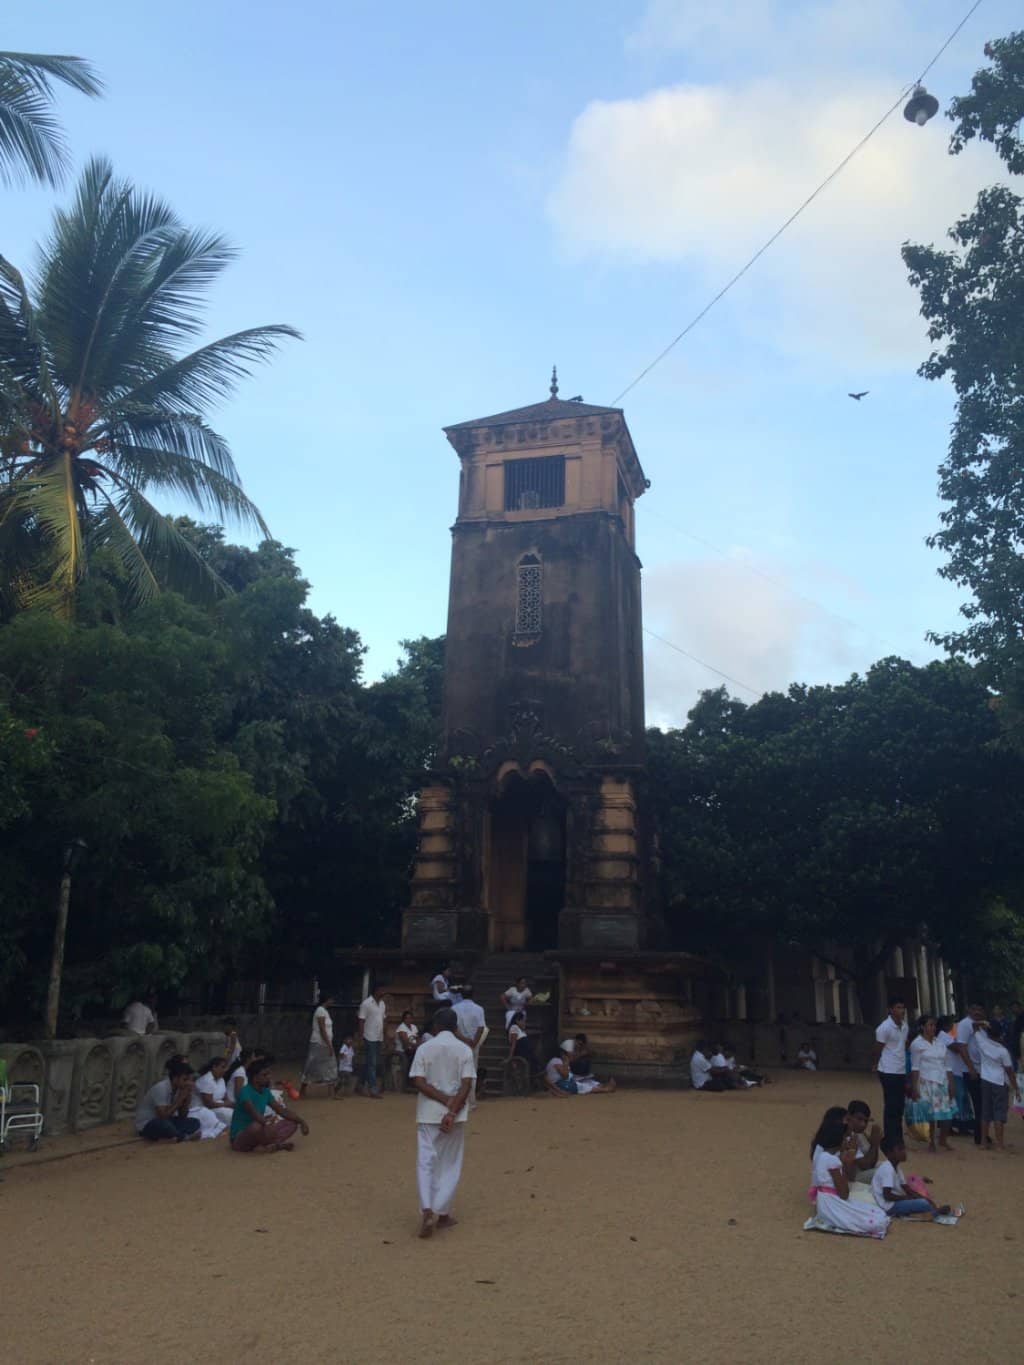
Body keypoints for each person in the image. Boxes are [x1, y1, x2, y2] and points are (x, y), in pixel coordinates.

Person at [409, 1007, 475, 1238]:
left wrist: (443, 1100)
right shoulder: (464, 1049)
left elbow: (418, 1081)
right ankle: (443, 1213)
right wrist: (452, 1109)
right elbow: (466, 1086)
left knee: (426, 1161)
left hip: (428, 1112)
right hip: (455, 1115)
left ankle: (428, 1209)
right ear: (456, 1027)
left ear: (435, 1026)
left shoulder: (425, 1048)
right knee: (449, 1164)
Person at [808, 1116, 888, 1238]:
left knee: (872, 1211)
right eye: (846, 1137)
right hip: (831, 1204)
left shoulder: (822, 1156)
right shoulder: (832, 1161)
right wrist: (847, 1163)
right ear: (840, 1140)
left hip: (823, 1202)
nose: (848, 1140)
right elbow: (844, 1193)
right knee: (877, 1220)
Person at [230, 1055, 310, 1153]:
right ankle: (274, 1145)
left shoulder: (265, 1091)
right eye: (265, 1075)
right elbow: (255, 1115)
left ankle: (266, 1145)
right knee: (256, 1127)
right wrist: (267, 1124)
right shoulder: (244, 1092)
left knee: (292, 1123)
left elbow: (281, 1110)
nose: (269, 1077)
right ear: (255, 1078)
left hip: (261, 1130)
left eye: (269, 1074)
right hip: (240, 1137)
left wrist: (302, 1121)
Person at [871, 1136, 952, 1220]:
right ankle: (935, 1212)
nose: (904, 1152)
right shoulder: (887, 1169)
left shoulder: (896, 1167)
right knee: (923, 1204)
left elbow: (907, 1189)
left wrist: (927, 1199)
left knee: (924, 1201)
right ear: (889, 1153)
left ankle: (925, 1211)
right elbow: (887, 1196)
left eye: (903, 1149)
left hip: (895, 1202)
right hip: (888, 1207)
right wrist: (906, 1198)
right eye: (900, 1149)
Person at [908, 1015, 955, 1152]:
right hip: (926, 1081)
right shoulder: (917, 1044)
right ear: (922, 1027)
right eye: (930, 1025)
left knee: (947, 1113)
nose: (933, 1028)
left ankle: (943, 1139)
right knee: (931, 1115)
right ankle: (931, 1141)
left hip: (942, 1081)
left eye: (934, 1025)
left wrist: (951, 1084)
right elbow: (915, 1067)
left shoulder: (940, 1043)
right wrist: (915, 1087)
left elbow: (947, 1065)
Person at [975, 1021, 1019, 1150]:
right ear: (1001, 1034)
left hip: (985, 1080)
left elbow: (974, 1027)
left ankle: (983, 1142)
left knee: (986, 1113)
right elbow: (1010, 1072)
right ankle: (1000, 1144)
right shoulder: (1003, 1051)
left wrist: (982, 1023)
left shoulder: (982, 1042)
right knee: (999, 1113)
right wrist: (1016, 1088)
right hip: (999, 1082)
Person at [134, 1059, 201, 1142]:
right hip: (148, 1123)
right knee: (165, 1125)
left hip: (167, 1121)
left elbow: (182, 1116)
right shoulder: (161, 1088)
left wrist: (187, 1099)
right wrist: (179, 1100)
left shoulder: (180, 1088)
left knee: (194, 1122)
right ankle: (182, 1137)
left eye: (189, 1080)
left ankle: (171, 1137)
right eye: (185, 1080)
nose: (188, 1083)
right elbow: (163, 1116)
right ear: (175, 1078)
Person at [874, 996, 908, 1143]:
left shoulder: (905, 1026)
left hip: (900, 1069)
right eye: (898, 1008)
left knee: (900, 1105)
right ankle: (890, 1137)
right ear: (891, 1009)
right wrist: (876, 1064)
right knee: (891, 1105)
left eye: (903, 1008)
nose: (902, 1011)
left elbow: (903, 1045)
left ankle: (898, 1135)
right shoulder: (884, 1028)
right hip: (888, 1069)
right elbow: (878, 1048)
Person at [951, 1002, 986, 1145]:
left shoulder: (980, 1025)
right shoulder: (965, 1025)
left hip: (982, 1069)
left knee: (983, 1103)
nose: (977, 1011)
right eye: (974, 1008)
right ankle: (979, 1135)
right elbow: (962, 1047)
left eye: (979, 1008)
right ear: (968, 1009)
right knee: (979, 1103)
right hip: (972, 1070)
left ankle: (981, 1133)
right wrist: (971, 1068)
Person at [453, 987, 487, 1106]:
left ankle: (459, 1101)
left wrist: (465, 1039)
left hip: (459, 1044)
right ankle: (471, 1102)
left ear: (461, 995)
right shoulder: (479, 1009)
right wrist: (474, 1042)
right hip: (473, 1045)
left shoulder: (455, 1008)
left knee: (458, 1072)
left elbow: (454, 1028)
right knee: (472, 1072)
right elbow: (481, 1027)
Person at [300, 993, 337, 1098]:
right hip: (319, 1042)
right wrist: (329, 1044)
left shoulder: (324, 1011)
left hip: (325, 1042)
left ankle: (332, 1092)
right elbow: (322, 1029)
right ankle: (303, 1089)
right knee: (312, 1065)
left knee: (331, 1065)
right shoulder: (320, 1011)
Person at [357, 984, 387, 1098]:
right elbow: (361, 1021)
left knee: (370, 1063)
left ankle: (359, 1085)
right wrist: (360, 1038)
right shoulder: (366, 1003)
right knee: (372, 1064)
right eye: (382, 989)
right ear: (377, 990)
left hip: (378, 1037)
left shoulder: (382, 1004)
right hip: (369, 1036)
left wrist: (385, 1036)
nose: (383, 992)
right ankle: (373, 1089)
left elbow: (384, 1020)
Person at [844, 1100, 881, 1181]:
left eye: (866, 1121)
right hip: (849, 1178)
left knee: (889, 1166)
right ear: (849, 1117)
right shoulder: (847, 1136)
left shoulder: (859, 1134)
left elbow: (872, 1161)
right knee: (885, 1172)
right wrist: (874, 1144)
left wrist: (874, 1144)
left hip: (859, 1172)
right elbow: (866, 1165)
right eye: (859, 1119)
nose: (863, 1124)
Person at [193, 1057, 234, 1129]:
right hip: (203, 1109)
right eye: (223, 1067)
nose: (225, 1070)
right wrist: (226, 1104)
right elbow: (209, 1104)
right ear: (214, 1067)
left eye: (225, 1068)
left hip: (219, 1106)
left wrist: (233, 1105)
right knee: (230, 1115)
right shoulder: (206, 1080)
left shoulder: (221, 1080)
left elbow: (225, 1098)